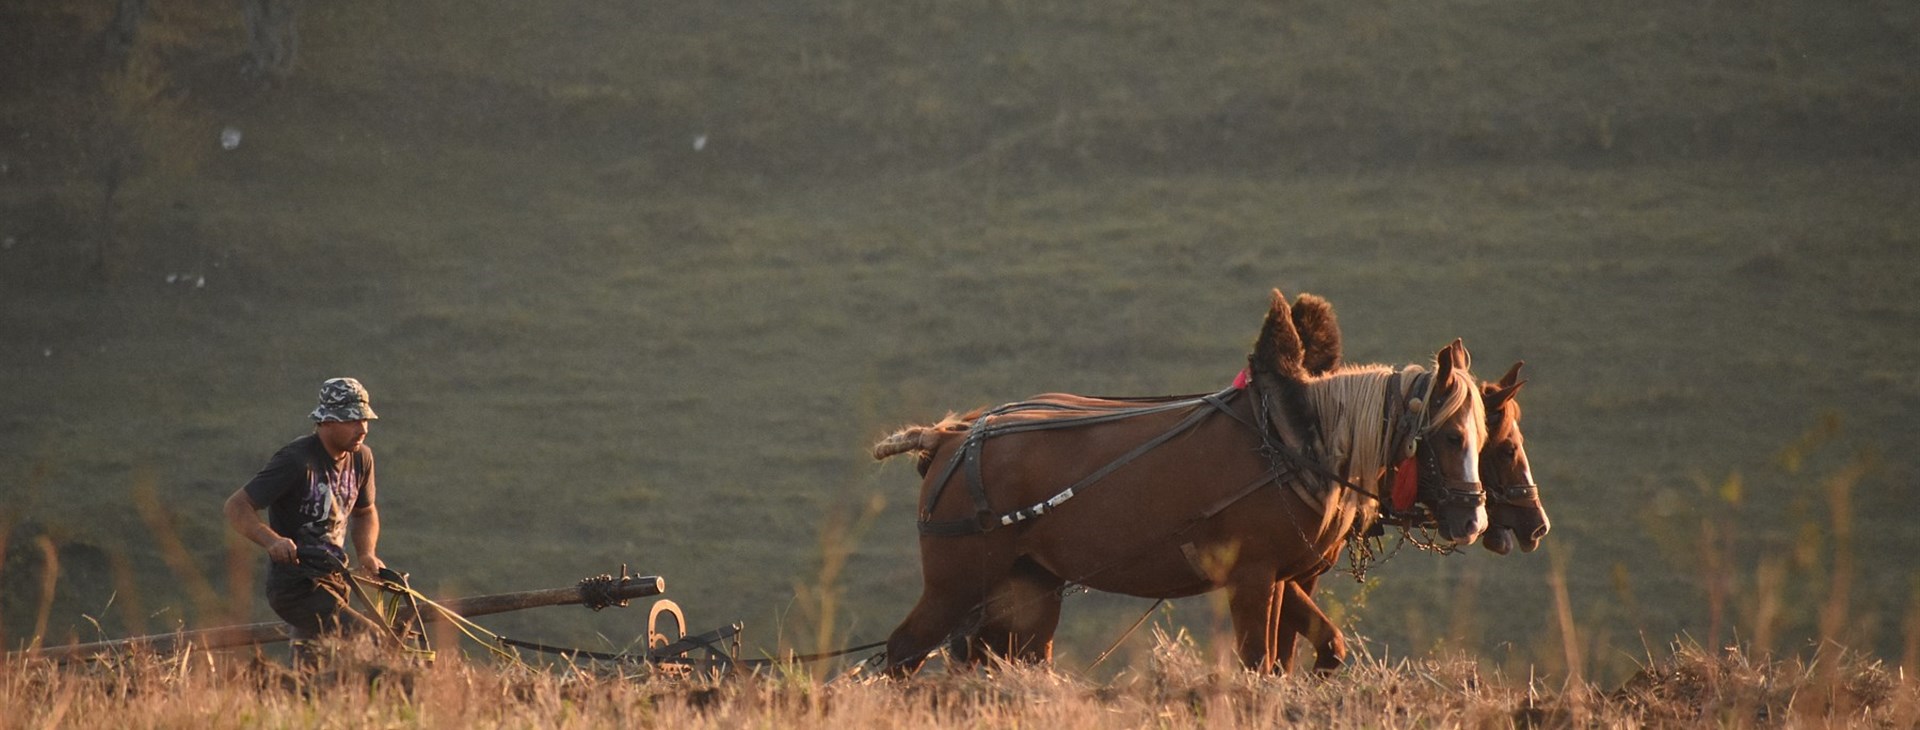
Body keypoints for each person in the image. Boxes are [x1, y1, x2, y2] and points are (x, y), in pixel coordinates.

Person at [224, 377, 388, 651]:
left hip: (334, 582)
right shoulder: (296, 459)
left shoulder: (362, 458)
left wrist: (367, 554)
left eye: (365, 420)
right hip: (296, 586)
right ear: (326, 422)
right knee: (371, 641)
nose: (362, 429)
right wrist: (272, 541)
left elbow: (365, 511)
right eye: (352, 421)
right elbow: (236, 506)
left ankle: (303, 690)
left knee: (313, 664)